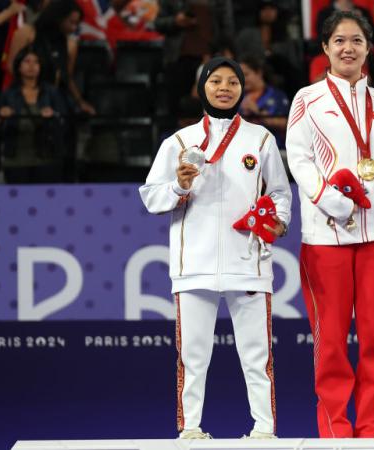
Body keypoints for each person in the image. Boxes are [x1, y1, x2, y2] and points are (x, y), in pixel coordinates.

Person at [139, 57, 291, 440]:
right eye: (215, 81)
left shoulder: (261, 139)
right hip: (195, 265)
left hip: (249, 262)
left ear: (243, 88)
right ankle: (190, 429)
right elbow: (151, 198)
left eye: (233, 82)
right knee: (192, 357)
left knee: (258, 356)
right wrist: (179, 186)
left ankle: (265, 430)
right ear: (201, 88)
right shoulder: (178, 142)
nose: (225, 87)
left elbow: (279, 192)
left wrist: (280, 220)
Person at [285, 10, 374, 438]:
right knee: (331, 341)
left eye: (356, 40)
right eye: (339, 40)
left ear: (367, 48)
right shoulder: (307, 98)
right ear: (325, 48)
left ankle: (371, 429)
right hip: (327, 234)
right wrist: (330, 200)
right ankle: (336, 429)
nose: (348, 48)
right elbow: (298, 159)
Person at [6, 0, 96, 115]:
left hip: (54, 100)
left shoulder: (70, 45)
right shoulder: (26, 34)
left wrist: (80, 101)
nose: (74, 28)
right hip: (23, 98)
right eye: (71, 22)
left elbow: (67, 77)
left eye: (77, 24)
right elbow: (11, 66)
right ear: (59, 18)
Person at [0, 45, 68, 183]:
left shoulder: (51, 92)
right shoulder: (9, 94)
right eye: (27, 61)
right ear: (19, 66)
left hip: (46, 158)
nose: (32, 66)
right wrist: (1, 116)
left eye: (36, 62)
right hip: (16, 160)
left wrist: (54, 115)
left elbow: (65, 121)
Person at [238, 55, 289, 147]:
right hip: (243, 150)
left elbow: (286, 124)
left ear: (259, 73)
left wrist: (257, 111)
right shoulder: (236, 97)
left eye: (246, 74)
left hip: (273, 149)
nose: (242, 79)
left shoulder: (277, 96)